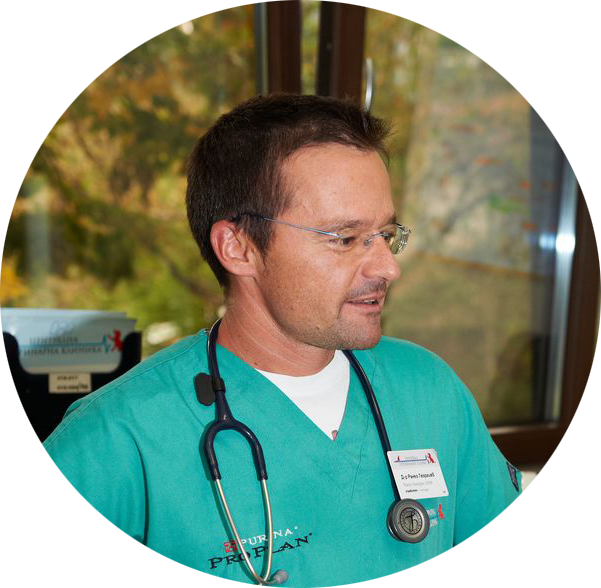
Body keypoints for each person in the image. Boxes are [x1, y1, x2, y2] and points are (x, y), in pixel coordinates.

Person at [43, 94, 522, 586]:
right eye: (344, 238)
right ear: (239, 248)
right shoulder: (118, 437)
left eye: (385, 234)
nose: (388, 267)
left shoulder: (429, 390)